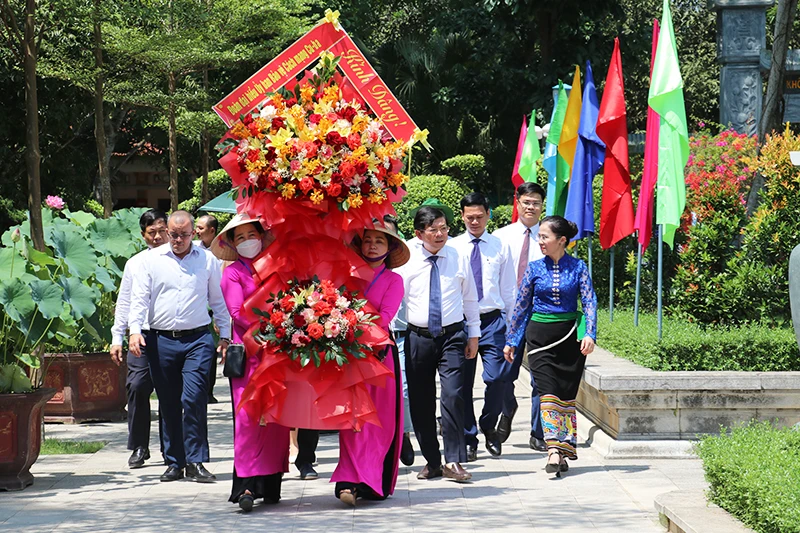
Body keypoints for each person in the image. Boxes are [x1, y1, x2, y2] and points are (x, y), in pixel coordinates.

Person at [128, 210, 231, 483]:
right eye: (173, 235)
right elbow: (139, 298)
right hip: (161, 340)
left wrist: (225, 334)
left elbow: (217, 300)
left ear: (193, 234)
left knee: (194, 398)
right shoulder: (152, 261)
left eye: (184, 235)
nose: (177, 240)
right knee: (169, 402)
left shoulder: (206, 260)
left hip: (197, 340)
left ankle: (196, 461)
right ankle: (174, 462)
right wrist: (134, 331)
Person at [503, 216, 597, 476]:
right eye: (539, 236)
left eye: (545, 236)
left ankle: (563, 449)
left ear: (562, 240)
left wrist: (590, 333)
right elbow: (521, 307)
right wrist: (512, 340)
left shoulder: (578, 267)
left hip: (569, 338)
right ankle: (553, 450)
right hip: (539, 338)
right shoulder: (534, 269)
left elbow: (589, 301)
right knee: (547, 393)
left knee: (565, 396)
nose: (540, 241)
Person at [211, 213, 290, 512]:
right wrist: (269, 331)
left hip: (279, 355)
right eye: (239, 238)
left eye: (250, 235)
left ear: (261, 236)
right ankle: (245, 484)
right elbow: (237, 312)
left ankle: (270, 484)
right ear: (232, 243)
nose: (247, 242)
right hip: (250, 355)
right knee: (247, 420)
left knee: (274, 419)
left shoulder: (277, 269)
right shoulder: (232, 273)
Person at [395, 206, 480, 482]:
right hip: (418, 337)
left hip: (453, 336)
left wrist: (474, 335)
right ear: (419, 234)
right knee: (420, 400)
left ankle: (454, 460)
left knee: (454, 395)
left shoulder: (458, 254)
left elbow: (470, 298)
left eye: (444, 228)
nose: (441, 234)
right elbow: (394, 297)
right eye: (433, 230)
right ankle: (432, 461)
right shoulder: (406, 258)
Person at [332, 217, 409, 506]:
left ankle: (372, 480)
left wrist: (352, 322)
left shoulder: (394, 280)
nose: (372, 245)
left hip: (380, 357)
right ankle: (348, 480)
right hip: (349, 356)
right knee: (350, 420)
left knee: (379, 422)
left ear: (389, 247)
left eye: (379, 240)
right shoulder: (347, 276)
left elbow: (385, 318)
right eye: (367, 239)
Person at [451, 192, 516, 461]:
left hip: (492, 321)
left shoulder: (500, 246)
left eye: (479, 217)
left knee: (498, 378)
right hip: (462, 323)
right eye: (469, 217)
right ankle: (469, 437)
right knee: (462, 384)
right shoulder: (453, 247)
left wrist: (512, 327)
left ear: (488, 215)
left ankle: (489, 426)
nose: (474, 222)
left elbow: (510, 288)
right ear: (463, 217)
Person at [110, 209, 168, 469]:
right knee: (137, 386)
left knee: (170, 391)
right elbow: (124, 302)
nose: (157, 237)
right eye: (151, 232)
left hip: (169, 334)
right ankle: (139, 446)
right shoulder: (135, 263)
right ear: (143, 235)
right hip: (140, 335)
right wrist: (116, 336)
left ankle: (171, 448)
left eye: (161, 230)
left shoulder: (180, 259)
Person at [492, 182, 548, 451]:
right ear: (517, 202)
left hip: (539, 319)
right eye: (526, 202)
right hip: (507, 317)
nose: (531, 207)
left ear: (542, 206)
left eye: (536, 203)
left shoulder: (548, 237)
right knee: (502, 376)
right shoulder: (500, 237)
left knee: (540, 378)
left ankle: (538, 432)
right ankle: (508, 406)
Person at [194, 214, 222, 404]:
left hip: (216, 305)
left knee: (211, 350)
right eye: (196, 227)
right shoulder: (193, 249)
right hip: (198, 305)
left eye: (201, 228)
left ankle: (208, 390)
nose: (197, 231)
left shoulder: (223, 251)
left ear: (212, 231)